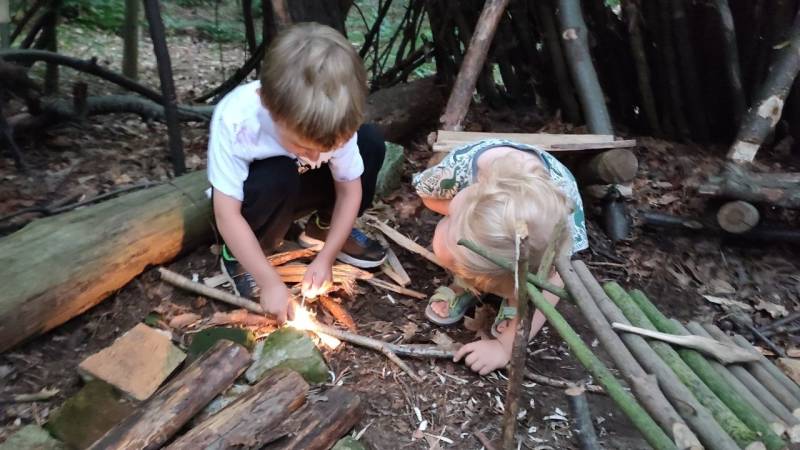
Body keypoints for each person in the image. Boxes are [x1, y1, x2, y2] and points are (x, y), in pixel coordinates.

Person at [207, 23, 387, 324]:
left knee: (370, 144)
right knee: (277, 172)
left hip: (298, 190)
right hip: (256, 202)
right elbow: (226, 214)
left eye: (326, 148)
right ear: (268, 105)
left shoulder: (335, 116)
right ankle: (240, 258)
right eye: (302, 145)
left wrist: (326, 257)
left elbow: (349, 189)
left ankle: (321, 228)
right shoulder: (237, 120)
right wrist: (269, 282)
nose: (317, 158)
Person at [413, 139, 588, 374]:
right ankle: (466, 281)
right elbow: (426, 195)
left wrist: (505, 347)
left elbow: (551, 288)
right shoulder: (456, 169)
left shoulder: (559, 224)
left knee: (513, 266)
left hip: (527, 232)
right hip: (463, 207)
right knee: (446, 247)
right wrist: (457, 212)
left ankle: (514, 298)